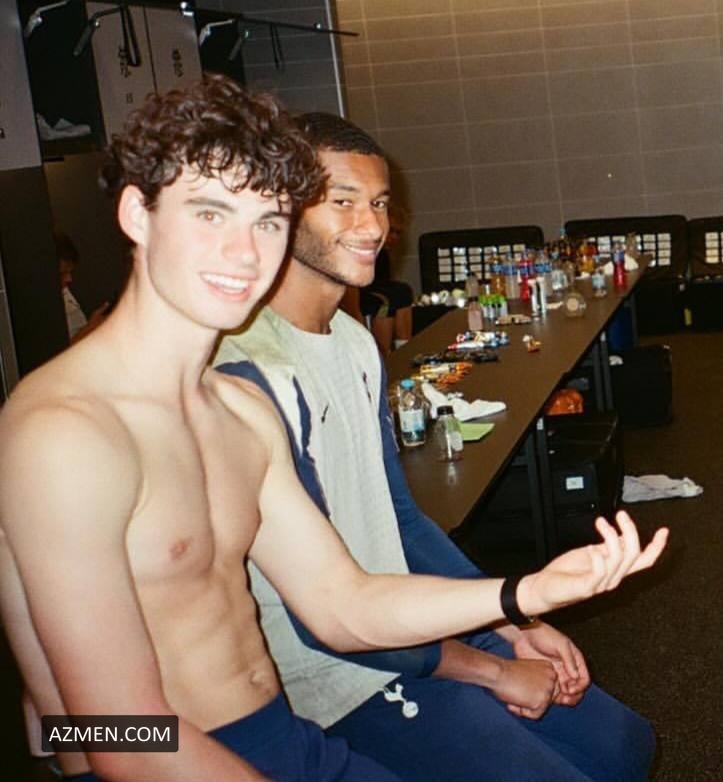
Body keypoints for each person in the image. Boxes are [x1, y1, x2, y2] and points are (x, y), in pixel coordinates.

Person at [0, 76, 666, 782]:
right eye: (210, 214)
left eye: (267, 221)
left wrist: (524, 597)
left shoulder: (236, 409)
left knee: (618, 747)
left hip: (278, 732)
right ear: (138, 213)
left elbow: (342, 606)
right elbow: (108, 735)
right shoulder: (66, 432)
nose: (244, 252)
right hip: (168, 754)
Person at [214, 112, 665, 781]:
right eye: (342, 201)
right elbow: (329, 618)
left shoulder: (352, 342)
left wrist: (509, 624)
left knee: (623, 746)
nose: (371, 227)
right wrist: (492, 665)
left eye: (379, 204)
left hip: (406, 622)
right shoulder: (247, 372)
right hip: (338, 676)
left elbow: (399, 518)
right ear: (279, 207)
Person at [340, 201, 413, 355]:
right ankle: (382, 354)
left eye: (398, 233)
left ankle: (404, 347)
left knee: (402, 292)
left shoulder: (383, 255)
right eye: (391, 231)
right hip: (361, 293)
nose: (394, 237)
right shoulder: (362, 251)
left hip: (374, 291)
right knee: (386, 301)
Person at [55, 230, 109, 343]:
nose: (69, 279)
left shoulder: (65, 292)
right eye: (62, 273)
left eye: (70, 272)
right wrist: (90, 328)